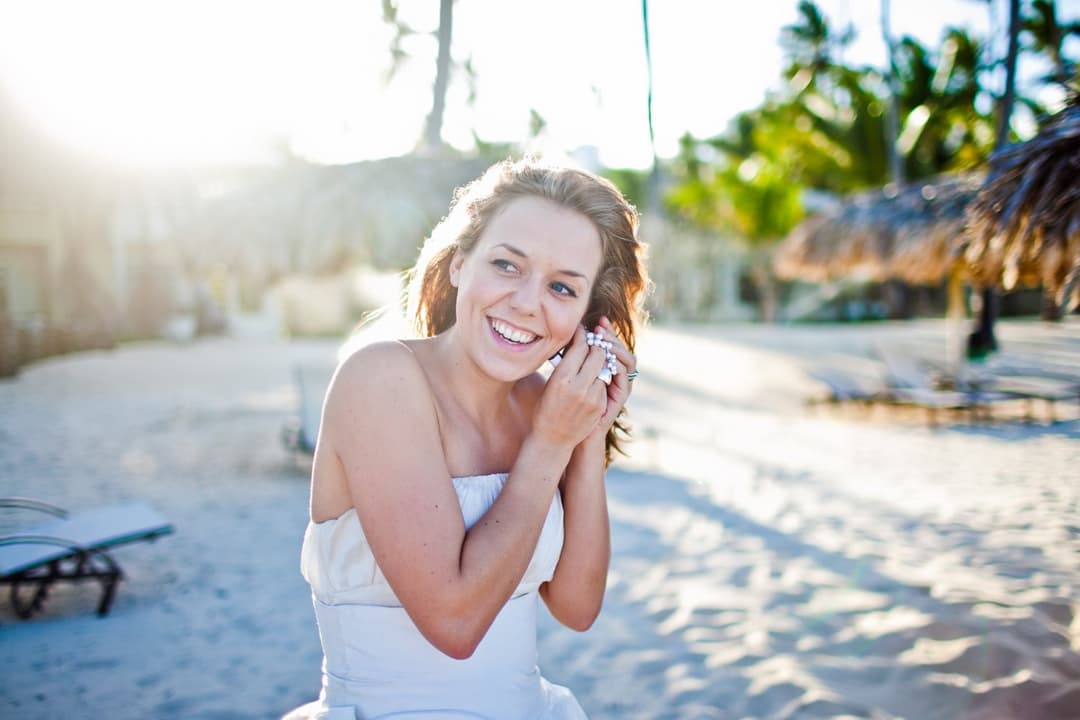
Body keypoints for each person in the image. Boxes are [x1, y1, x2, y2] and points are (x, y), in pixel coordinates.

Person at [284, 157, 650, 719]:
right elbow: (454, 625)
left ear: (586, 317)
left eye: (561, 287)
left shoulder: (546, 407)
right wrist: (549, 444)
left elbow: (576, 607)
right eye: (507, 265)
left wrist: (586, 436)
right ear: (460, 263)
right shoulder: (380, 379)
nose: (528, 302)